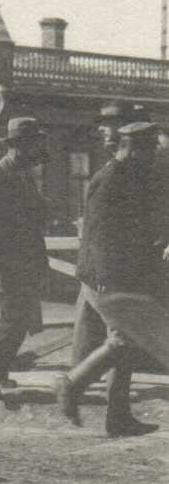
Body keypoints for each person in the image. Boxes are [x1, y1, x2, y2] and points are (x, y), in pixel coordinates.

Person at [53, 123, 164, 437]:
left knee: (125, 343)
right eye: (148, 149)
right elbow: (100, 233)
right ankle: (71, 385)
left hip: (115, 276)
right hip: (107, 278)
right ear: (130, 147)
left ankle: (118, 417)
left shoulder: (128, 176)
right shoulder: (113, 179)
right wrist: (107, 279)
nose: (153, 155)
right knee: (123, 340)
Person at [0, 116, 50, 399]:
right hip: (4, 262)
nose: (38, 149)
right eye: (34, 143)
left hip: (25, 260)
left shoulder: (25, 174)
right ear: (19, 145)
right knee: (14, 318)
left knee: (18, 318)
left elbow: (36, 212)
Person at [69, 101, 147, 373]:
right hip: (102, 268)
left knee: (96, 328)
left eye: (108, 124)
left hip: (100, 266)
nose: (102, 129)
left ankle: (78, 385)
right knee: (118, 334)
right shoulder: (113, 171)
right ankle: (75, 385)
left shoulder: (127, 168)